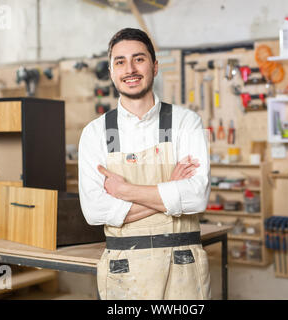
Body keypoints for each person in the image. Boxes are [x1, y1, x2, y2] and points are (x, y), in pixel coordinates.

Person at [78, 28, 211, 300]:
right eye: (120, 62)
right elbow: (94, 211)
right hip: (125, 272)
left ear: (155, 66)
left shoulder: (186, 123)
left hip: (182, 268)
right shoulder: (95, 133)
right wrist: (171, 189)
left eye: (139, 59)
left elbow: (196, 198)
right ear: (111, 71)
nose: (130, 69)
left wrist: (125, 191)